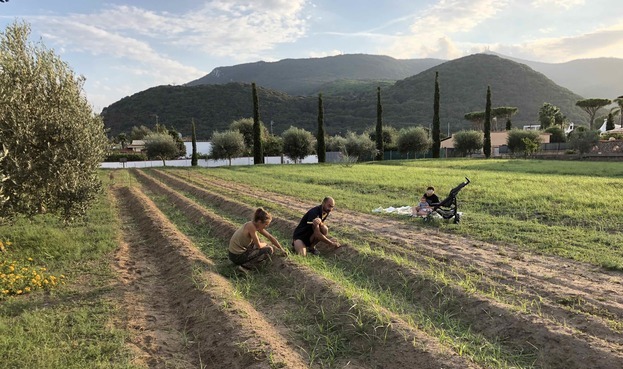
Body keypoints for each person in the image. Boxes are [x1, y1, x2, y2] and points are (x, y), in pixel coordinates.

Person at [228, 208, 284, 274]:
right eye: (266, 224)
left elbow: (270, 237)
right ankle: (245, 267)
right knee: (269, 249)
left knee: (257, 242)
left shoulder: (252, 224)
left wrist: (281, 249)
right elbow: (259, 246)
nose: (266, 226)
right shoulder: (251, 227)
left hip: (233, 255)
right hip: (236, 257)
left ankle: (244, 265)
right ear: (260, 222)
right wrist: (266, 244)